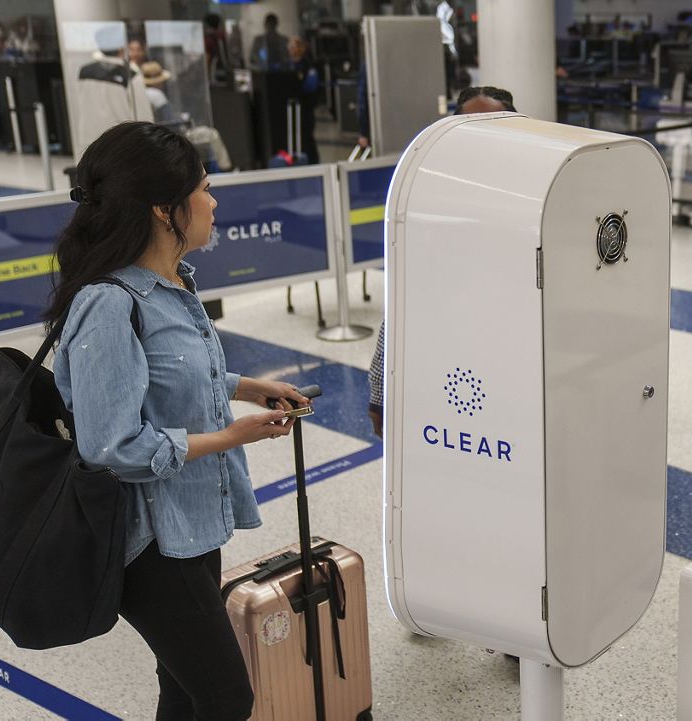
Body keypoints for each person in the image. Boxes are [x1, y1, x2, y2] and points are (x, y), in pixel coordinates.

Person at [46, 121, 310, 720]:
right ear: (166, 209)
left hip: (190, 525)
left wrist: (247, 388)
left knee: (185, 689)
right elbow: (111, 444)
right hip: (150, 543)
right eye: (205, 189)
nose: (214, 203)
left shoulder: (172, 287)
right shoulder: (110, 305)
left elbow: (168, 382)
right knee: (225, 697)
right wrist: (228, 437)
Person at [367, 87, 517, 436]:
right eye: (469, 126)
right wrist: (379, 392)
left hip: (513, 377)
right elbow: (404, 302)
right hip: (449, 373)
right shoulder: (428, 201)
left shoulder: (538, 199)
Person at [287, 36, 321, 163]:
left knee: (307, 135)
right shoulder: (287, 65)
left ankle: (313, 161)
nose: (291, 50)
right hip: (292, 108)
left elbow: (311, 86)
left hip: (306, 107)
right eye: (289, 47)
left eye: (294, 46)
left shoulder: (309, 66)